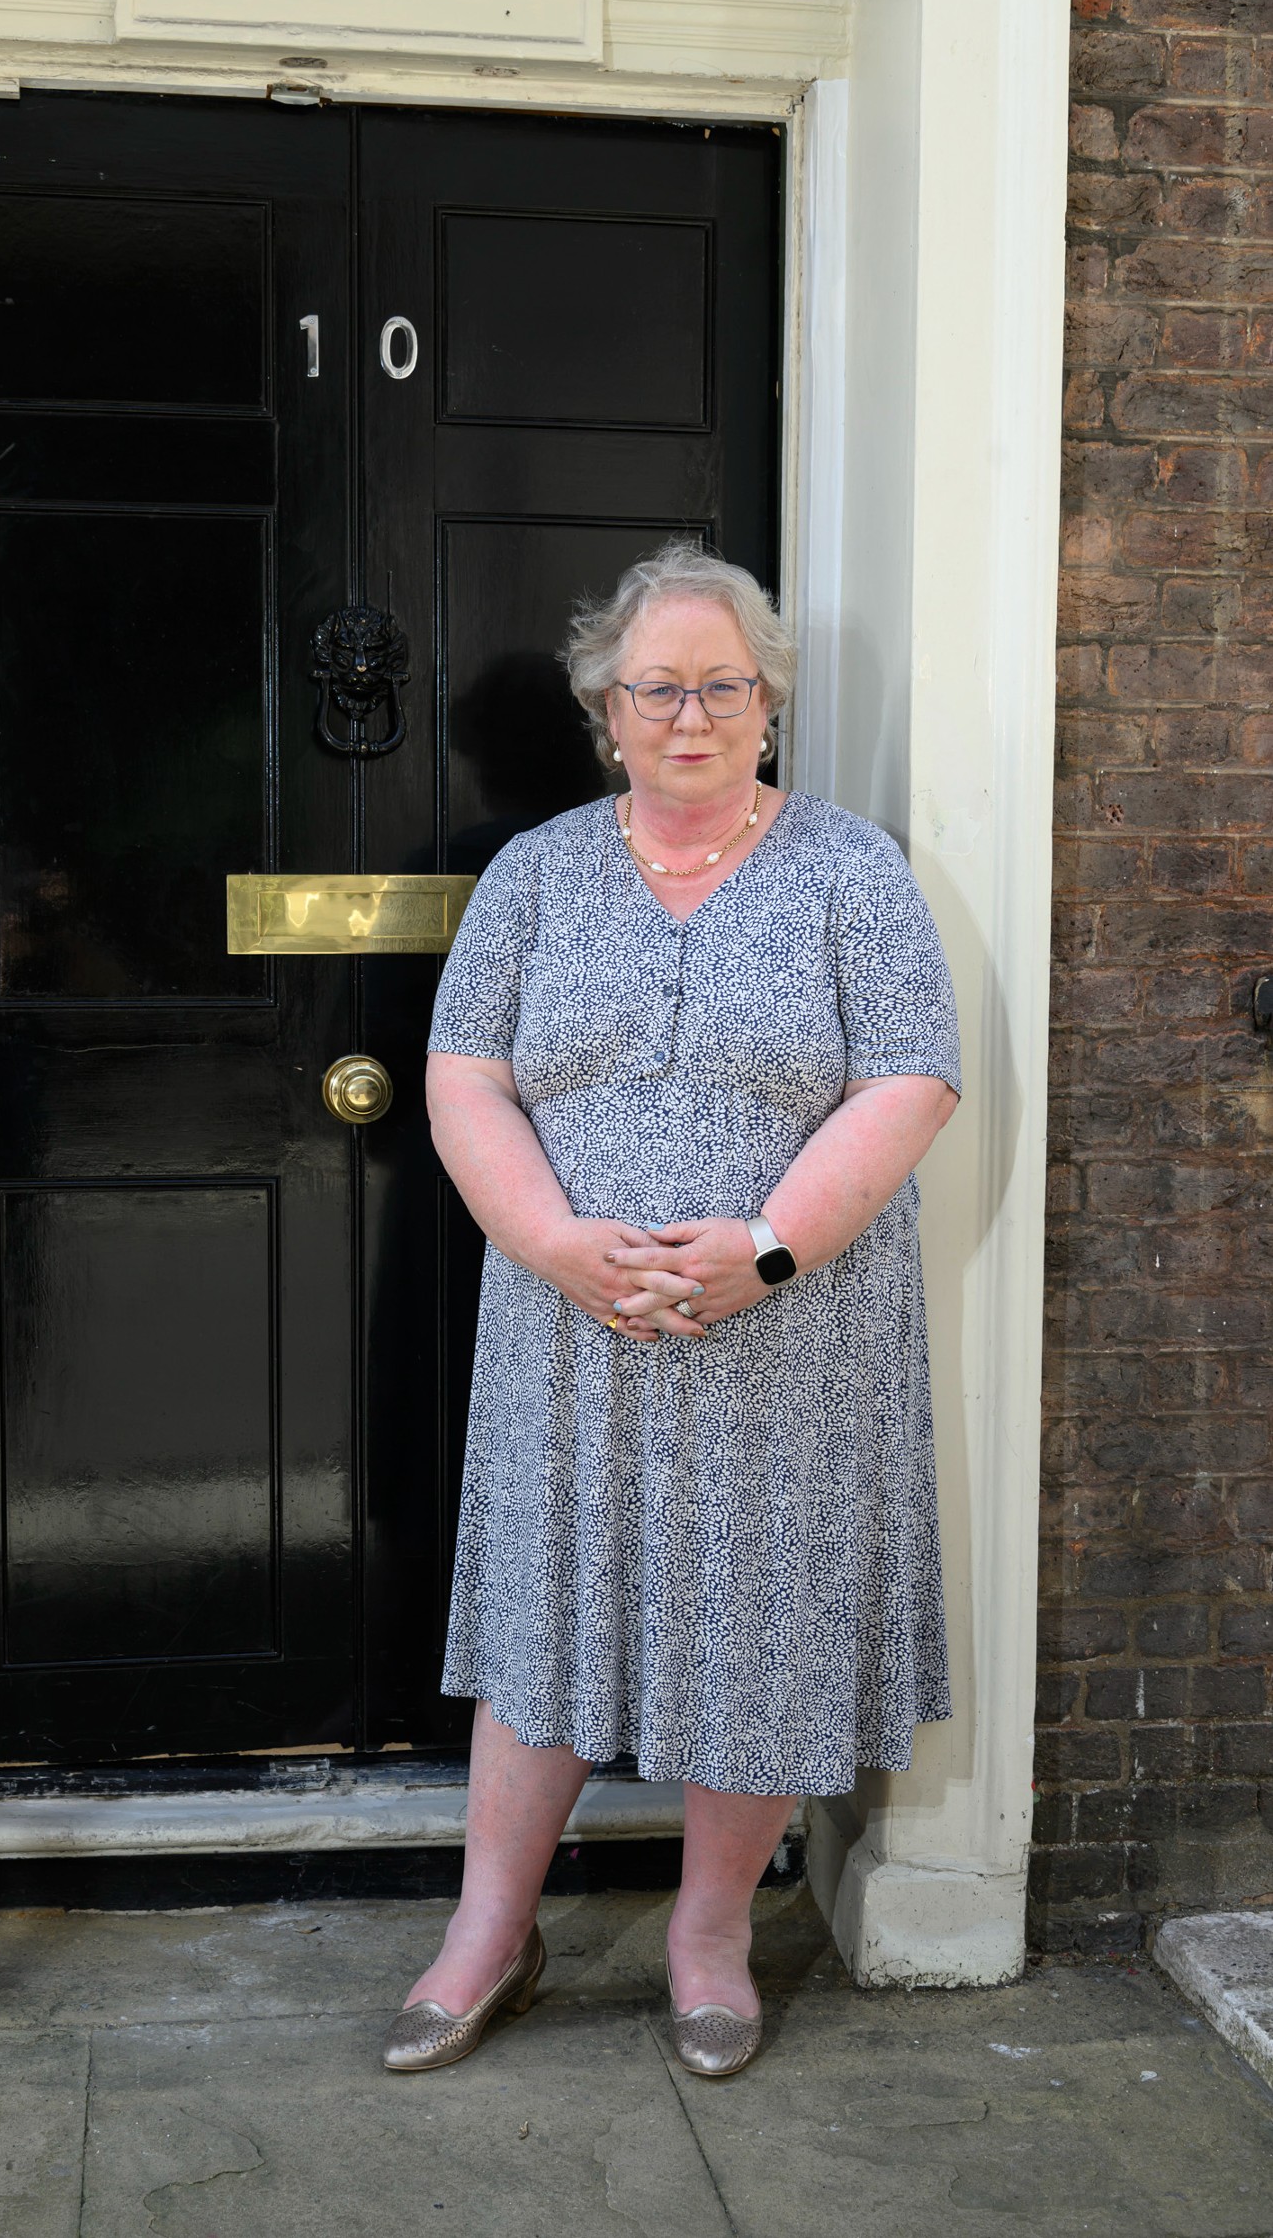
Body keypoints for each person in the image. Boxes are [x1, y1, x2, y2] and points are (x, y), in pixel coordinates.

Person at [383, 540, 961, 2078]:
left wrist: (764, 1245)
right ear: (607, 709)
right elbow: (463, 1074)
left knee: (757, 1631)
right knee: (544, 1624)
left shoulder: (853, 870)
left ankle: (711, 1935)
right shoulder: (533, 874)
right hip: (571, 1335)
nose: (689, 714)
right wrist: (558, 1239)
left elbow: (912, 1077)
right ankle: (486, 1932)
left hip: (790, 1340)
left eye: (723, 685)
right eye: (658, 687)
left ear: (766, 703)